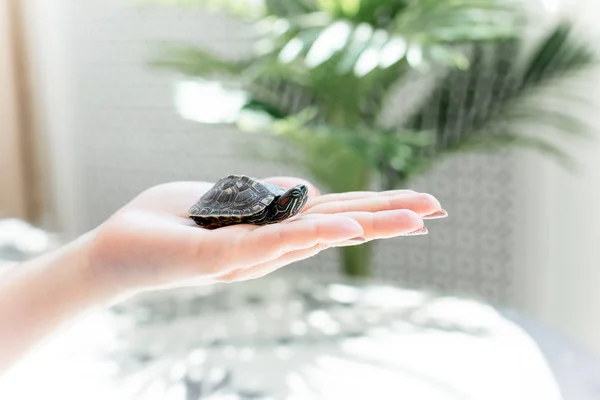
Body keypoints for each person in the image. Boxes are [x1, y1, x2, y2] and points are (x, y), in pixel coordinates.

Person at [0, 176, 446, 376]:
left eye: (288, 200)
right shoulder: (262, 208)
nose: (291, 201)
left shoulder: (277, 205)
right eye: (289, 201)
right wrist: (97, 262)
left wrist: (93, 265)